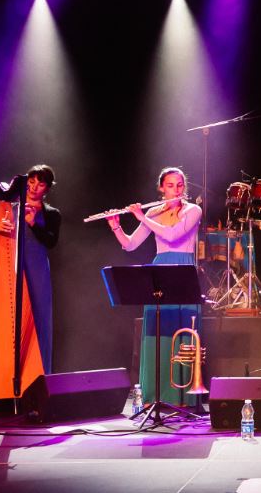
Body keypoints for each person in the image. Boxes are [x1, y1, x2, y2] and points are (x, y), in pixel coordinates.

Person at [108, 167, 202, 406]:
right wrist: (116, 226)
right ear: (161, 188)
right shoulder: (154, 212)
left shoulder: (193, 210)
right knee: (158, 332)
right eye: (170, 185)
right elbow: (130, 245)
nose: (176, 190)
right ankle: (154, 396)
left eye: (179, 185)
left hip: (182, 270)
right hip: (159, 271)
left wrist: (142, 217)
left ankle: (182, 398)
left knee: (183, 334)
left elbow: (172, 236)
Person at [0, 165, 60, 372]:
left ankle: (39, 375)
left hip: (37, 271)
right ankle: (6, 373)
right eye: (31, 182)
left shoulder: (52, 214)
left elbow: (51, 242)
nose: (33, 188)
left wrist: (33, 223)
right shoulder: (10, 208)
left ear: (47, 188)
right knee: (8, 321)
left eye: (40, 184)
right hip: (12, 270)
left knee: (39, 320)